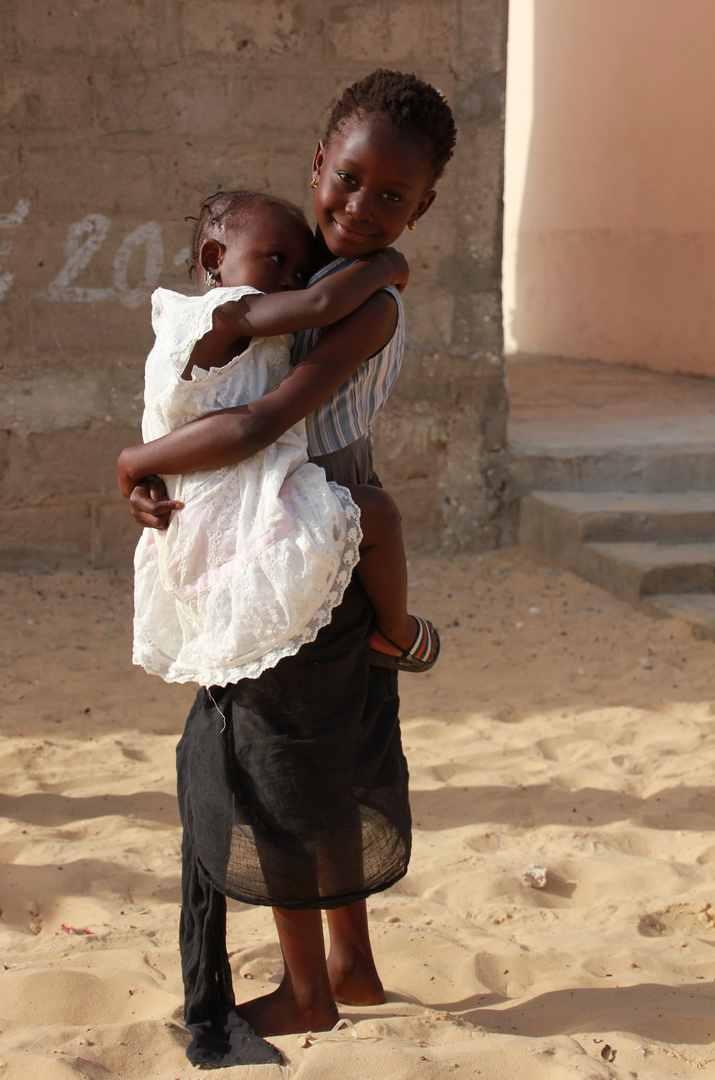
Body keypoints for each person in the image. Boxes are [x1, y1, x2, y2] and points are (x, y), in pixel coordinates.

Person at [121, 70, 457, 1067]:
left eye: (387, 196)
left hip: (307, 554)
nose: (359, 206)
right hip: (311, 548)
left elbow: (265, 420)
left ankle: (308, 991)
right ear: (319, 166)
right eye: (347, 181)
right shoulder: (302, 267)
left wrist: (138, 459)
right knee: (335, 759)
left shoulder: (367, 295)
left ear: (420, 208)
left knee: (282, 779)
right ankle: (349, 963)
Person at [120, 189, 439, 688]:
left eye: (300, 269)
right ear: (214, 260)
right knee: (378, 514)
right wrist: (388, 265)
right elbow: (320, 303)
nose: (291, 280)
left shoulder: (234, 329)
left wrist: (140, 467)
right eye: (277, 260)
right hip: (224, 502)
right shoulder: (224, 313)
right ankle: (397, 633)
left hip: (211, 500)